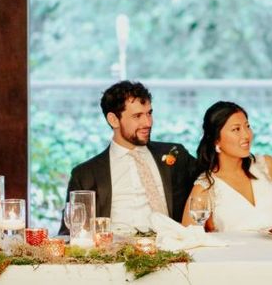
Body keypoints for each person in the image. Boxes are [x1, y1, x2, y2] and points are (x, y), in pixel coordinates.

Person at [59, 81, 198, 233]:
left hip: (173, 250)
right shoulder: (85, 174)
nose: (148, 122)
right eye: (137, 116)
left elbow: (211, 176)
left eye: (149, 113)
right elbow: (71, 232)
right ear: (113, 120)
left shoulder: (175, 153)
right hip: (116, 253)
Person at [182, 100, 272, 232]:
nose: (247, 135)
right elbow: (189, 239)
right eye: (236, 129)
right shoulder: (205, 188)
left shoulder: (266, 165)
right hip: (236, 260)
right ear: (216, 140)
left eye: (247, 126)